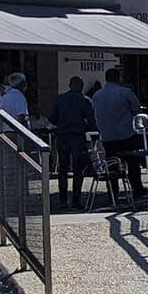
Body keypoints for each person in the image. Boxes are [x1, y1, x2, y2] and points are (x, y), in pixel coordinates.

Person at [91, 67, 146, 204]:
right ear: (118, 78)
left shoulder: (97, 95)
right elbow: (136, 109)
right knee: (133, 163)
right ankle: (137, 189)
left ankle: (112, 193)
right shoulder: (125, 92)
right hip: (125, 134)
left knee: (112, 166)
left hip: (108, 136)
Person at [52, 77, 94, 209]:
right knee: (78, 170)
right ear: (81, 87)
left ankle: (63, 200)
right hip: (77, 136)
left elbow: (52, 118)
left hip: (63, 136)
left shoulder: (60, 99)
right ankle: (76, 200)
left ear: (70, 85)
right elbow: (91, 121)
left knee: (63, 170)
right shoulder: (85, 100)